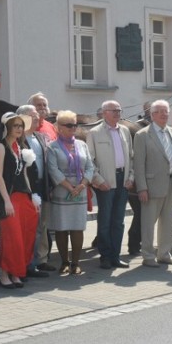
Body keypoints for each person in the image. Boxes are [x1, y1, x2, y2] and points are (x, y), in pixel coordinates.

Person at [133, 100, 172, 268]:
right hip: (151, 185)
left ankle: (164, 254)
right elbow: (138, 164)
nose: (164, 114)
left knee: (169, 223)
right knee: (148, 223)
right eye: (160, 111)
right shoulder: (142, 135)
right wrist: (142, 187)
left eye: (166, 111)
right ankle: (148, 255)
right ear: (152, 115)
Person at [0, 112, 41, 288]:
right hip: (10, 197)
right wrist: (6, 201)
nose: (20, 129)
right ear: (7, 128)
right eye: (16, 125)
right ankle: (5, 274)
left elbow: (24, 174)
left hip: (24, 197)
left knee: (25, 236)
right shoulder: (0, 147)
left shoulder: (20, 147)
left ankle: (16, 273)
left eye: (21, 125)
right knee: (10, 237)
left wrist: (33, 197)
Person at [46, 110, 95, 275]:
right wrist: (69, 187)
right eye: (68, 125)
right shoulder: (52, 147)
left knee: (77, 227)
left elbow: (90, 166)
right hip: (62, 191)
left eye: (75, 125)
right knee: (61, 228)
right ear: (58, 127)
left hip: (79, 191)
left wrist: (82, 185)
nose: (73, 128)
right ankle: (64, 261)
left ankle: (75, 263)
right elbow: (53, 169)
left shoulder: (82, 145)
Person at [87, 100, 134, 269]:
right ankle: (105, 256)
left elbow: (131, 157)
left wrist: (131, 177)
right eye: (114, 110)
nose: (117, 113)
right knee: (105, 220)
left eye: (119, 110)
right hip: (106, 181)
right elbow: (89, 161)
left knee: (119, 221)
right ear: (104, 112)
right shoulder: (94, 133)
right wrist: (99, 180)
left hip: (123, 180)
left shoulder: (125, 131)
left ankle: (116, 256)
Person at [16, 104, 52, 278]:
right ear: (22, 118)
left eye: (38, 116)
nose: (38, 118)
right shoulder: (16, 139)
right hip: (25, 191)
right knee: (27, 228)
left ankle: (39, 261)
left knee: (41, 227)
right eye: (33, 116)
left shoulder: (41, 137)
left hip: (42, 188)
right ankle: (26, 264)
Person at [27, 92, 56, 272]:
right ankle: (28, 261)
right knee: (31, 225)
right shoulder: (23, 134)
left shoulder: (51, 128)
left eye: (44, 105)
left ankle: (42, 259)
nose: (42, 109)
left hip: (45, 183)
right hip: (28, 186)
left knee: (43, 224)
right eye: (38, 106)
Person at [126, 100, 152, 256]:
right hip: (139, 179)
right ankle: (134, 243)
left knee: (143, 214)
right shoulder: (140, 128)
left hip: (148, 178)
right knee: (140, 213)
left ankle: (138, 242)